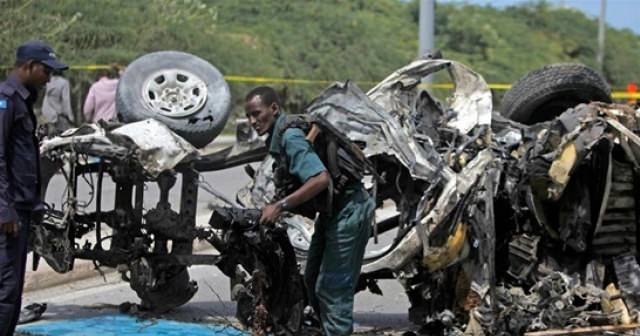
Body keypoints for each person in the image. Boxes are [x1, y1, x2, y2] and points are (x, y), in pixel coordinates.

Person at [245, 86, 374, 335]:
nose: (252, 121)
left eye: (257, 114)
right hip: (332, 213)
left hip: (349, 210)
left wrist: (281, 206)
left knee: (331, 288)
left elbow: (320, 179)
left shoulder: (290, 137)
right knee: (312, 279)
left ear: (274, 109)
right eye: (248, 116)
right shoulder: (283, 136)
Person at [0, 40, 68, 335]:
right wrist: (5, 209)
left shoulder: (22, 100)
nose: (49, 78)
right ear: (28, 66)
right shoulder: (5, 99)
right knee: (5, 286)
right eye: (46, 71)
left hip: (21, 209)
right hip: (9, 213)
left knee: (13, 288)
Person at [42, 69, 73, 134]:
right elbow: (66, 101)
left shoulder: (47, 81)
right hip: (58, 116)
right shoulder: (64, 82)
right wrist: (69, 116)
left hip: (45, 114)